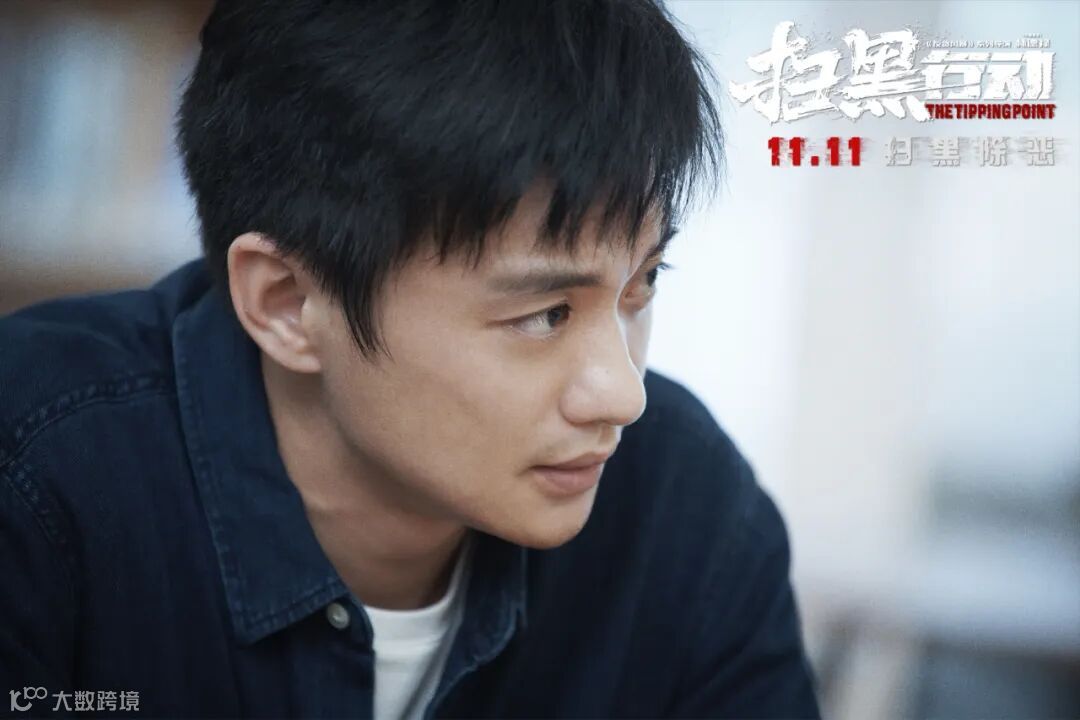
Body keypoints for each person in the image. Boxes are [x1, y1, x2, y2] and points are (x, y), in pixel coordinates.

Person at [0, 0, 820, 717]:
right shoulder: (37, 479)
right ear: (287, 303)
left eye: (642, 286)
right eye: (545, 314)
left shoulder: (688, 512)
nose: (621, 395)